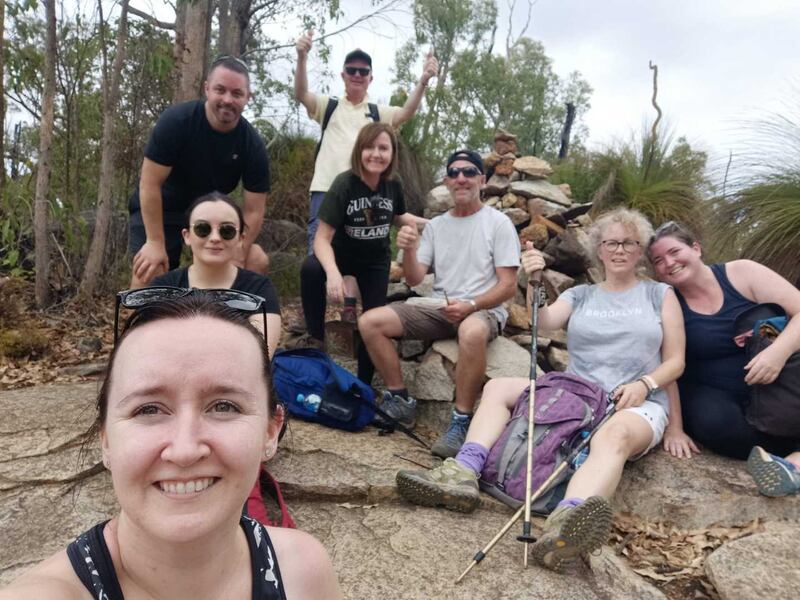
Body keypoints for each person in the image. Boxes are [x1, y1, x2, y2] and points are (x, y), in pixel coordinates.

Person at [396, 208, 686, 573]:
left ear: (641, 249)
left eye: (629, 242)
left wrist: (645, 384)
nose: (619, 250)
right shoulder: (581, 295)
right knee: (500, 386)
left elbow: (676, 362)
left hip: (636, 401)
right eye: (611, 242)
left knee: (613, 436)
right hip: (578, 394)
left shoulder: (659, 294)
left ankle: (565, 526)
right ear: (599, 249)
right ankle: (462, 475)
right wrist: (534, 280)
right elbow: (543, 323)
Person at [0, 295, 342, 599]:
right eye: (148, 409)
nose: (184, 450)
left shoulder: (303, 573)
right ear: (105, 440)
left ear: (271, 431)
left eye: (224, 406)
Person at [358, 150, 520, 459]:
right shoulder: (436, 226)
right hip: (440, 306)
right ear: (447, 181)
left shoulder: (498, 224)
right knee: (370, 322)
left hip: (482, 309)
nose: (461, 178)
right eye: (454, 172)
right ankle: (400, 400)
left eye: (470, 172)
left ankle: (460, 422)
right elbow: (416, 277)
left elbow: (508, 286)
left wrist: (471, 304)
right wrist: (407, 249)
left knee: (471, 333)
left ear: (482, 180)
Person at [648, 221, 800, 496]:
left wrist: (778, 353)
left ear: (696, 248)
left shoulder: (742, 273)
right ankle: (782, 460)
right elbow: (667, 362)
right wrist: (675, 429)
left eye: (674, 251)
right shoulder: (668, 301)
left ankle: (793, 462)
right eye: (658, 260)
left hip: (776, 381)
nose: (669, 263)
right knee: (711, 423)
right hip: (716, 395)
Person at [129, 56, 270, 288]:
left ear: (247, 98)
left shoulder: (252, 144)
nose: (227, 99)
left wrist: (239, 249)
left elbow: (254, 210)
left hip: (212, 218)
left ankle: (236, 323)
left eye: (236, 93)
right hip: (163, 210)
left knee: (256, 259)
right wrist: (154, 242)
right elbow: (149, 184)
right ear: (207, 89)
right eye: (220, 90)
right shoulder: (176, 122)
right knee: (150, 268)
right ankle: (142, 323)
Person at [294, 30, 438, 250]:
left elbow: (406, 112)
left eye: (363, 71)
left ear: (371, 78)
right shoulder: (328, 106)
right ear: (343, 75)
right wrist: (302, 56)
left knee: (357, 260)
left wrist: (424, 81)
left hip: (362, 195)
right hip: (325, 190)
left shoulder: (377, 112)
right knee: (319, 257)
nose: (357, 75)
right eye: (352, 70)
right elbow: (302, 93)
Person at [300, 123, 420, 383]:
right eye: (369, 147)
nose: (376, 154)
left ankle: (364, 384)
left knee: (374, 317)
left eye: (383, 148)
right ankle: (316, 340)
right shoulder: (344, 184)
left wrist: (433, 224)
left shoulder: (393, 183)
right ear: (359, 150)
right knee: (310, 269)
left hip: (374, 261)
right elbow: (321, 239)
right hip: (341, 254)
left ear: (392, 154)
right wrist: (333, 274)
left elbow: (398, 216)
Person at [152, 191, 281, 357]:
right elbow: (148, 352)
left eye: (226, 231)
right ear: (187, 236)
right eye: (202, 229)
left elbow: (260, 357)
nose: (215, 238)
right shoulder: (163, 287)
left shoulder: (259, 289)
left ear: (241, 239)